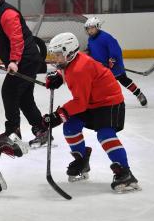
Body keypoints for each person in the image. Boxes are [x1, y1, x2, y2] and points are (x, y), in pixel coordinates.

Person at [42, 32, 141, 193]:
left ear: (69, 52)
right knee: (71, 126)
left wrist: (57, 116)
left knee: (105, 135)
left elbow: (80, 103)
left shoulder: (80, 69)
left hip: (109, 102)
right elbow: (80, 95)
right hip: (91, 102)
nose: (56, 58)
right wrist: (59, 76)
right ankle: (82, 161)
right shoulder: (73, 60)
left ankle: (125, 172)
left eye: (59, 55)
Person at [0, 0, 48, 148]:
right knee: (24, 98)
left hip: (26, 60)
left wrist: (14, 61)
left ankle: (12, 132)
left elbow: (16, 39)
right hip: (25, 60)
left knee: (9, 92)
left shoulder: (7, 14)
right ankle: (42, 130)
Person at [85, 17, 147, 106]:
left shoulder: (106, 37)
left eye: (92, 28)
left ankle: (139, 94)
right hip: (102, 68)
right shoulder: (90, 39)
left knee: (125, 81)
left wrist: (112, 60)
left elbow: (115, 50)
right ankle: (101, 102)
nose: (90, 30)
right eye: (88, 28)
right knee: (100, 85)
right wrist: (87, 52)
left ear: (98, 27)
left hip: (114, 67)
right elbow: (91, 48)